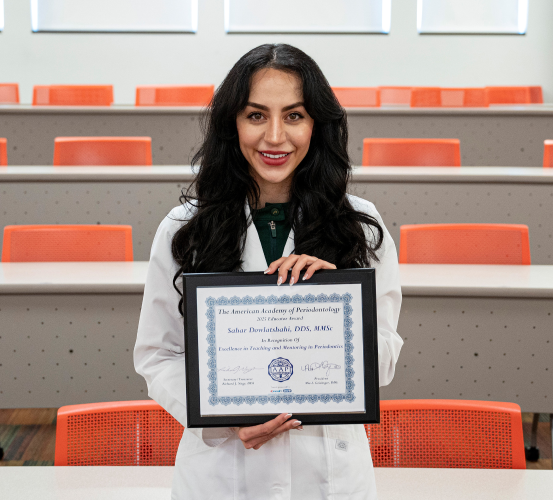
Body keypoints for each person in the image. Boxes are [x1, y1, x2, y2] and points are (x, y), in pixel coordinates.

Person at [134, 43, 403, 500]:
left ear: (317, 125)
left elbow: (385, 359)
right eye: (256, 115)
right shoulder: (185, 229)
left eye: (294, 116)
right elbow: (158, 356)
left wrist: (335, 299)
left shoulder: (360, 226)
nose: (275, 136)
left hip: (329, 474)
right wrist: (224, 418)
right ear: (231, 125)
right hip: (221, 473)